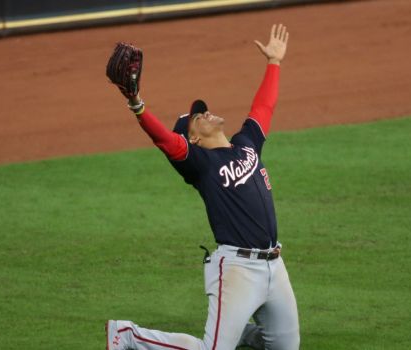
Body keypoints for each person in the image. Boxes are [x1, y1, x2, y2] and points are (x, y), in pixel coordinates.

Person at [106, 23, 299, 350]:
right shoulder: (199, 164)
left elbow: (264, 107)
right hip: (237, 269)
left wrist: (274, 62)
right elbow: (164, 140)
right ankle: (128, 336)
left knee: (284, 348)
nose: (204, 113)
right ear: (193, 137)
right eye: (197, 117)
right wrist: (137, 104)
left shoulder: (246, 143)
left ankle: (233, 332)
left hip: (274, 266)